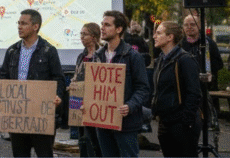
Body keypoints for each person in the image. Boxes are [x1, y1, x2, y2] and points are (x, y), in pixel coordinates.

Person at [0, 9, 63, 157]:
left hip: (40, 114)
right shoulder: (12, 50)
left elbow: (58, 78)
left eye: (24, 23)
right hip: (17, 114)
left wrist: (57, 96)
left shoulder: (48, 50)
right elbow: (3, 76)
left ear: (35, 26)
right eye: (18, 23)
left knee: (44, 154)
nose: (19, 26)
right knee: (19, 154)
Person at [95, 10, 149, 157]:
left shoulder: (133, 56)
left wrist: (130, 106)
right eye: (102, 24)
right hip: (103, 122)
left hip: (126, 123)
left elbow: (143, 89)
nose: (102, 28)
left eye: (107, 25)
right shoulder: (98, 55)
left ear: (119, 29)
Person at [151, 21, 202, 157]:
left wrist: (186, 121)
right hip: (165, 122)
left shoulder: (185, 60)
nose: (154, 36)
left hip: (181, 123)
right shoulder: (161, 60)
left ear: (170, 37)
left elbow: (194, 93)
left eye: (159, 33)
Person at [68, 23, 102, 157]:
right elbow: (77, 76)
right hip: (79, 101)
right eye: (81, 34)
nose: (81, 37)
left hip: (95, 102)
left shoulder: (101, 55)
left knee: (93, 139)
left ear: (93, 36)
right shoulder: (81, 56)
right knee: (82, 138)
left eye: (84, 34)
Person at [181, 15, 222, 106]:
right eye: (186, 25)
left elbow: (218, 64)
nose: (189, 27)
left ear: (199, 26)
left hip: (207, 89)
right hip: (186, 89)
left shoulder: (209, 43)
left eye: (192, 24)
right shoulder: (180, 45)